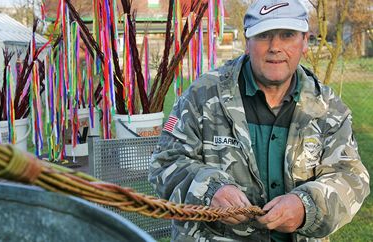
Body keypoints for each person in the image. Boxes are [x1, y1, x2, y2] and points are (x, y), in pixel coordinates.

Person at [148, 0, 370, 241]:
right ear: (247, 42)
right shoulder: (202, 96)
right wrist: (210, 191)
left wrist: (306, 206)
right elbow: (164, 164)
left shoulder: (329, 109)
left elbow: (351, 177)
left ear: (305, 41)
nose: (275, 47)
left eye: (287, 35)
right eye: (264, 35)